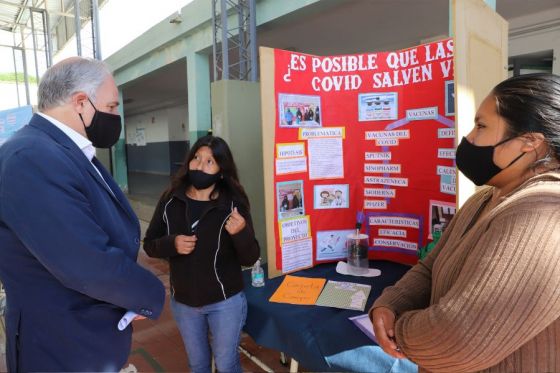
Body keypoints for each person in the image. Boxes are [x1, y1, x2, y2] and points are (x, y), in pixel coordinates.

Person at [370, 73, 560, 372]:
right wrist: (391, 304)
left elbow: (460, 338)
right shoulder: (485, 198)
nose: (469, 139)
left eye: (481, 126)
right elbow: (430, 266)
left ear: (530, 142)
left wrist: (400, 331)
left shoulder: (544, 212)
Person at [0, 57, 166, 372]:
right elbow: (87, 263)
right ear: (80, 102)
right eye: (112, 106)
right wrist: (149, 293)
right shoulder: (32, 157)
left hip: (84, 340)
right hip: (62, 350)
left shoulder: (60, 150)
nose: (116, 115)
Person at [143, 135, 260, 373]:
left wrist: (240, 233)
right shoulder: (170, 199)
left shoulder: (233, 203)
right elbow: (149, 244)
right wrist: (171, 244)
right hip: (184, 303)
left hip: (225, 303)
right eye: (196, 158)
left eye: (210, 161)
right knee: (198, 365)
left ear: (221, 171)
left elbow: (250, 257)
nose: (200, 165)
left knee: (227, 365)